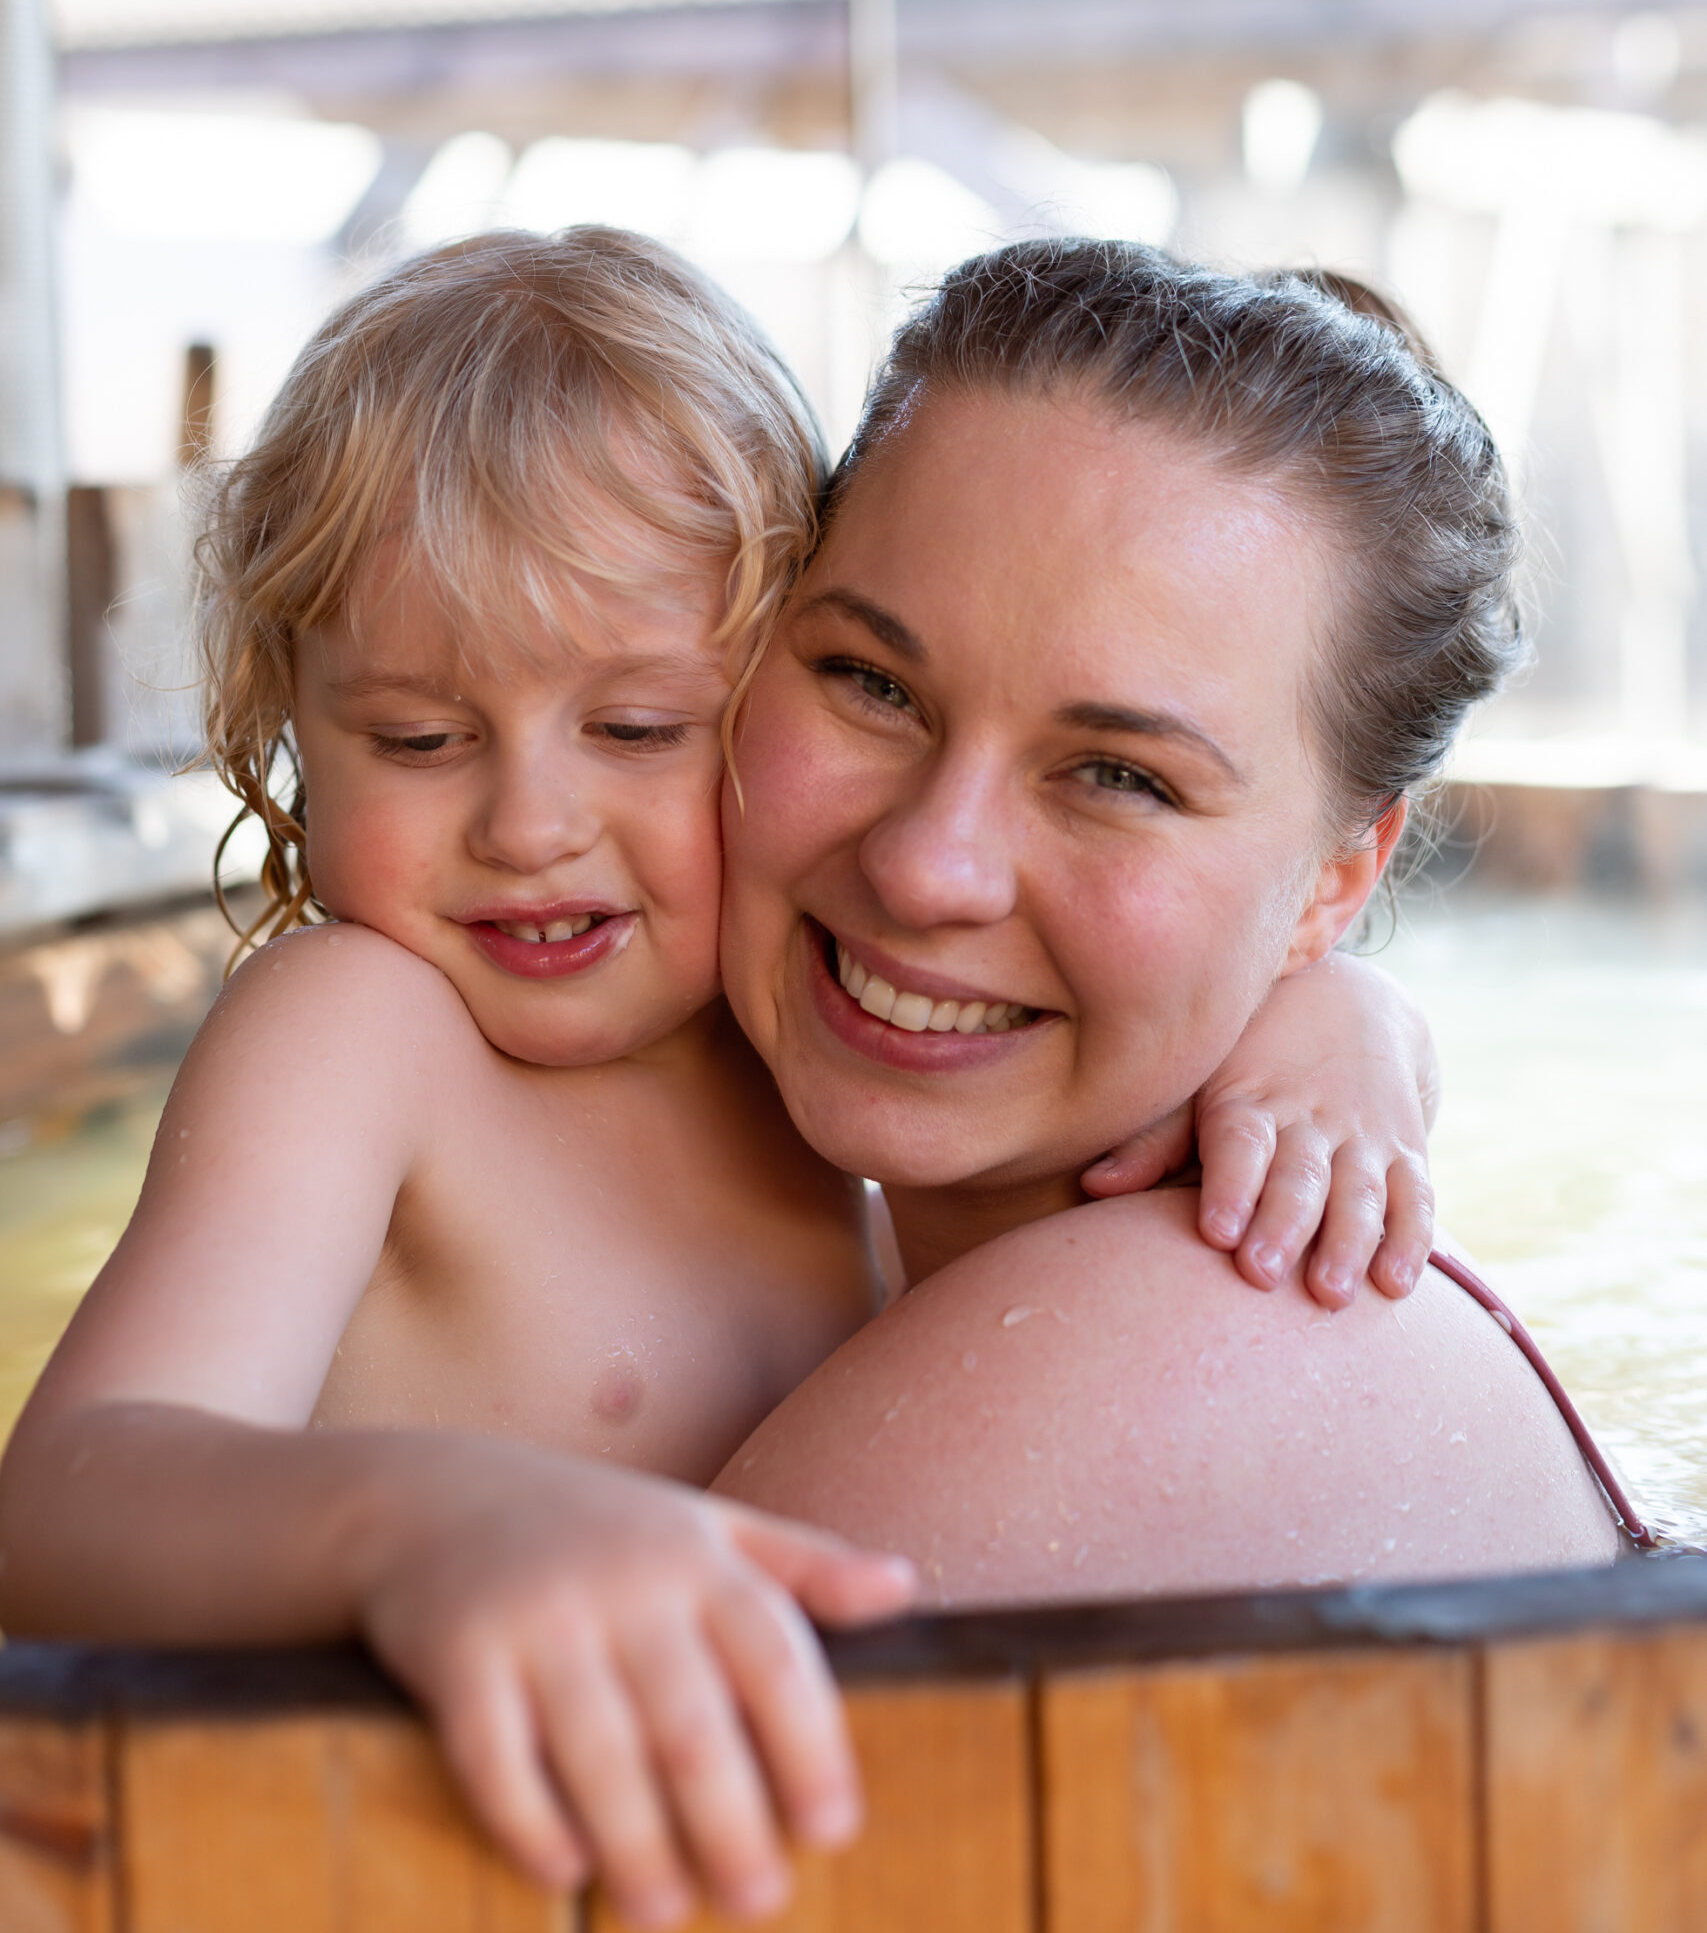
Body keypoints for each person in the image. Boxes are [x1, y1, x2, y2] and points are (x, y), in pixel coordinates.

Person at [0, 229, 1442, 1928]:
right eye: (414, 738)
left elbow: (1160, 1029)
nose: (530, 827)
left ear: (762, 700)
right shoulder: (363, 1033)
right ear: (287, 733)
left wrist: (1345, 1027)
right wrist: (414, 1530)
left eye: (637, 730)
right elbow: (69, 1501)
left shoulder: (797, 1040)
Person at [715, 241, 1624, 1597]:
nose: (926, 868)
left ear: (1338, 877)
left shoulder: (1172, 1339)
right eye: (872, 683)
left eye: (1122, 776)